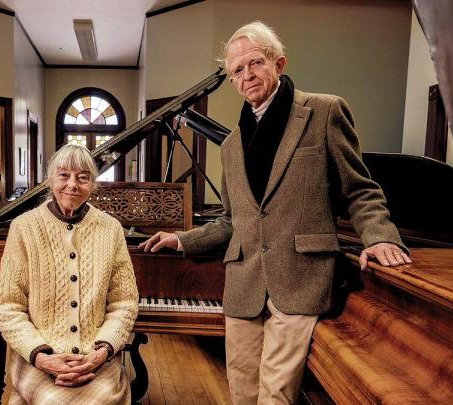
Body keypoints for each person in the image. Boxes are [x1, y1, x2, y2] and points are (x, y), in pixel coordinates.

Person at [139, 21, 412, 404]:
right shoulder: (232, 145)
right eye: (237, 70)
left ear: (278, 63)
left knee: (276, 396)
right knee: (242, 392)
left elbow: (360, 189)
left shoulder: (324, 111)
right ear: (232, 80)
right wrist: (182, 240)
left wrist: (380, 236)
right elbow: (232, 221)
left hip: (301, 279)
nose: (247, 75)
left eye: (255, 63)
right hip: (245, 284)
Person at [0, 144, 139, 405]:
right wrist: (41, 356)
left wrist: (101, 353)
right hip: (38, 358)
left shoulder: (111, 229)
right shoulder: (24, 228)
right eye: (63, 175)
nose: (72, 184)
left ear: (92, 184)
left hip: (96, 358)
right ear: (50, 180)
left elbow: (124, 303)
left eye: (82, 177)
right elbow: (8, 306)